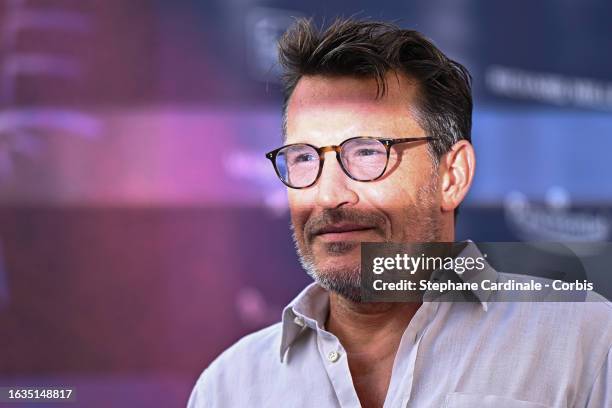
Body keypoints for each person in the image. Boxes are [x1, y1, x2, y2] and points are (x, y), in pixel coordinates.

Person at [188, 18, 611, 407]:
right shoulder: (230, 386)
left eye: (368, 152)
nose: (329, 195)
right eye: (303, 158)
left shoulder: (588, 343)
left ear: (452, 175)